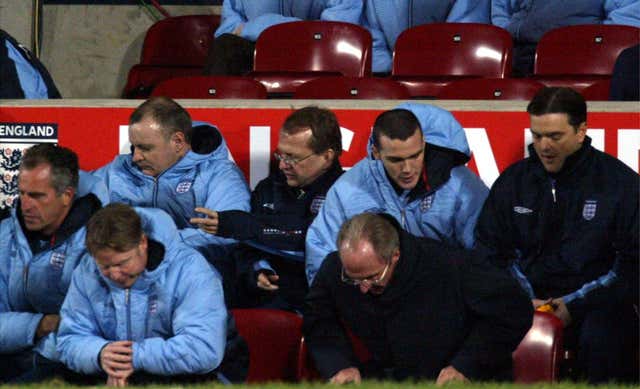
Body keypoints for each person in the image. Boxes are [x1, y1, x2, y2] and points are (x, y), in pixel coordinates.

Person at [474, 87, 639, 384]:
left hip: (596, 307)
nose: (544, 146)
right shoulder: (513, 182)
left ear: (581, 131)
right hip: (521, 303)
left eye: (554, 136)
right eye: (537, 136)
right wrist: (526, 299)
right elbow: (489, 251)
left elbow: (631, 265)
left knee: (607, 332)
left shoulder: (620, 185)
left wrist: (575, 304)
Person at [303, 212, 532, 384]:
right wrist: (339, 365)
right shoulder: (336, 269)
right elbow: (319, 320)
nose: (363, 288)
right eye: (352, 279)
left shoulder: (449, 265)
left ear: (395, 256)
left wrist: (465, 364)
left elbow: (514, 309)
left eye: (373, 277)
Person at [57, 204, 248, 387]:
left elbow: (202, 349)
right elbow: (69, 339)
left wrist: (131, 357)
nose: (114, 275)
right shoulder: (86, 270)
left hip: (195, 379)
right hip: (114, 375)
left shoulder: (192, 270)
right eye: (105, 266)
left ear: (142, 242)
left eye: (122, 263)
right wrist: (100, 354)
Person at [305, 102, 488, 283]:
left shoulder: (462, 187)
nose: (407, 169)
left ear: (424, 144)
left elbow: (485, 256)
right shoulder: (348, 189)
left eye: (415, 155)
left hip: (443, 297)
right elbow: (322, 254)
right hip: (370, 299)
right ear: (376, 152)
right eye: (396, 159)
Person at [93, 96, 250, 302]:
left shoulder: (218, 174)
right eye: (134, 147)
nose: (135, 157)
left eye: (145, 148)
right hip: (125, 275)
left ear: (177, 141)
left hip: (195, 278)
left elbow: (227, 233)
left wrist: (150, 245)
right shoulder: (118, 171)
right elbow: (81, 211)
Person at [191, 106, 344, 312]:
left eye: (293, 157)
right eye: (280, 155)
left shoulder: (345, 194)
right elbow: (245, 248)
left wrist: (247, 226)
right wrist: (257, 269)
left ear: (327, 156)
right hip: (262, 301)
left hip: (320, 304)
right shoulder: (268, 187)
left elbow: (313, 239)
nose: (282, 165)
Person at [0, 144, 103, 382]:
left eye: (37, 196)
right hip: (12, 354)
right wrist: (40, 324)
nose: (25, 205)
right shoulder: (6, 235)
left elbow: (89, 324)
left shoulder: (99, 239)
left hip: (65, 362)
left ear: (67, 195)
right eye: (22, 193)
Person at [204, 0, 364, 75]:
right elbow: (226, 29)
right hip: (258, 53)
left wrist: (260, 25)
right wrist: (302, 27)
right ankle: (211, 129)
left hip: (315, 55)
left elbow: (335, 33)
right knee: (225, 46)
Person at [491, 0, 640, 77]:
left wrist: (590, 43)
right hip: (517, 54)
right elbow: (501, 10)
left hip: (581, 60)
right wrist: (507, 35)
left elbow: (623, 28)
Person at [363, 0, 490, 73]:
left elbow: (463, 34)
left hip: (451, 74)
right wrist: (391, 70)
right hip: (390, 77)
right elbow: (372, 37)